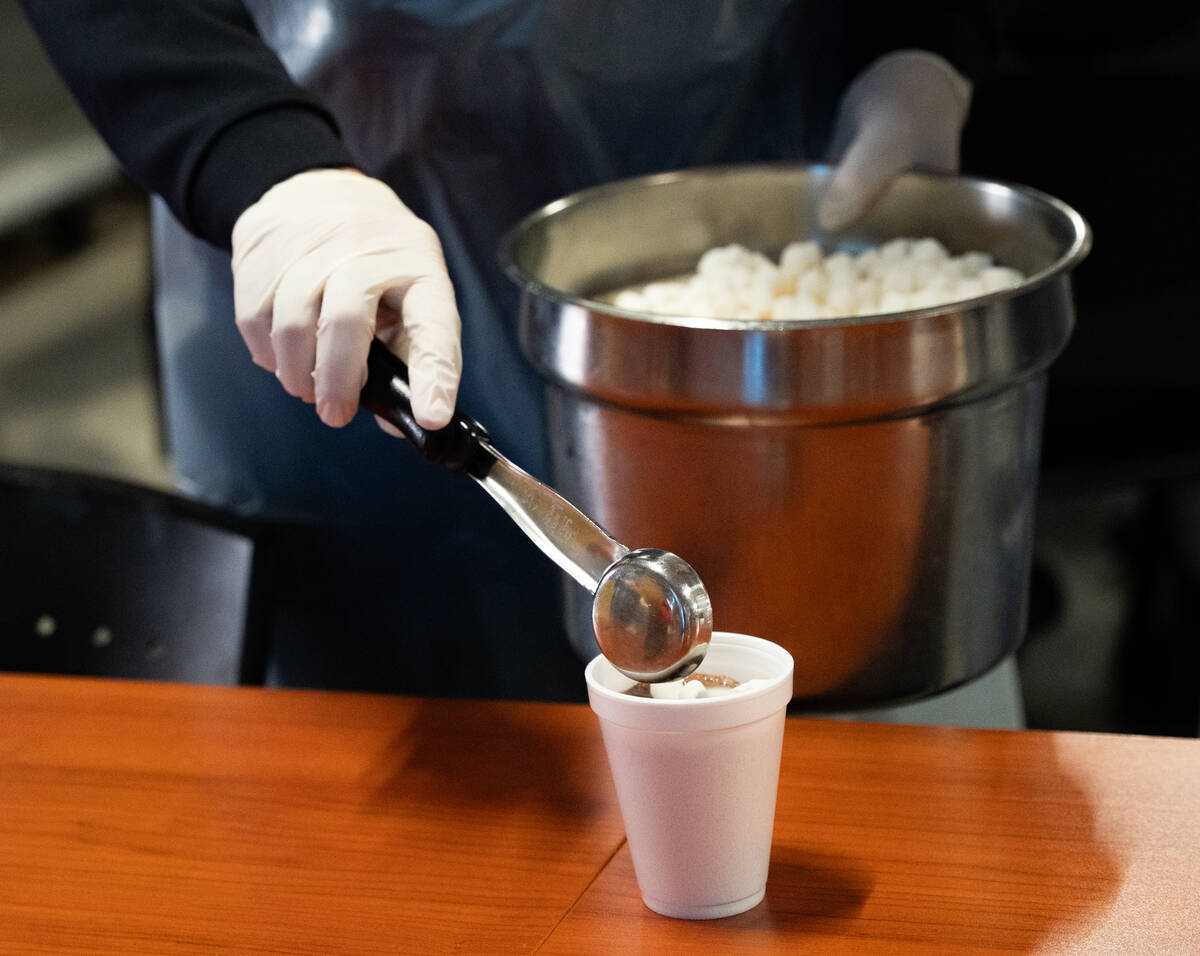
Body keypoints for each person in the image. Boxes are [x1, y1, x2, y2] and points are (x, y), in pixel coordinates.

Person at [18, 0, 991, 702]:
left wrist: (915, 37)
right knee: (377, 756)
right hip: (341, 229)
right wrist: (255, 156)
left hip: (739, 198)